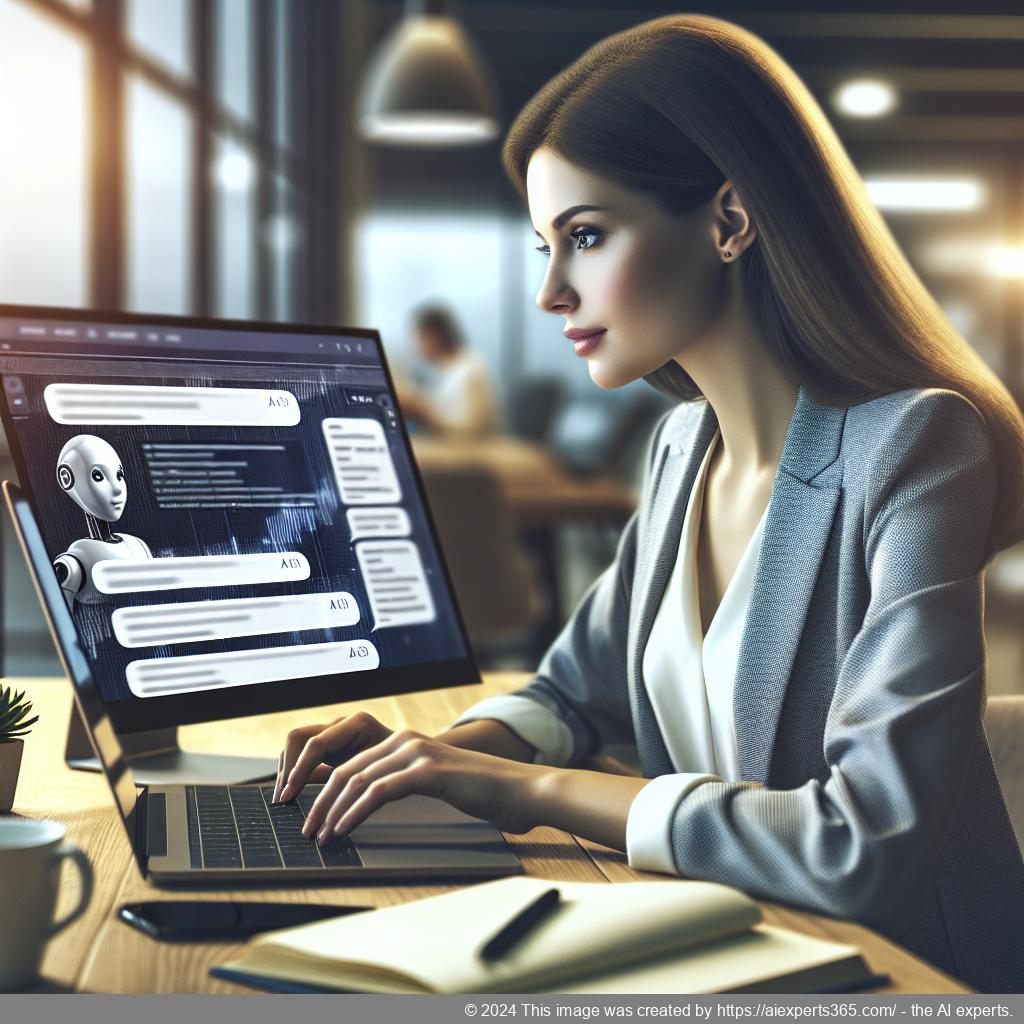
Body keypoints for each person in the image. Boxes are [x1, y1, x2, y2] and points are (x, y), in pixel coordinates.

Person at [272, 15, 1024, 991]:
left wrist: (527, 788)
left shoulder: (914, 442)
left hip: (909, 976)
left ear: (727, 220)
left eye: (584, 236)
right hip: (733, 945)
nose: (550, 289)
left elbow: (861, 840)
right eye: (546, 243)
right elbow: (569, 693)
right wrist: (437, 755)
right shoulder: (681, 445)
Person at [395, 303, 500, 437]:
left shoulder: (470, 370)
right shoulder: (447, 369)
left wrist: (422, 412)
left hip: (477, 448)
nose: (416, 347)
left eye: (418, 339)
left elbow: (468, 429)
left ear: (432, 336)